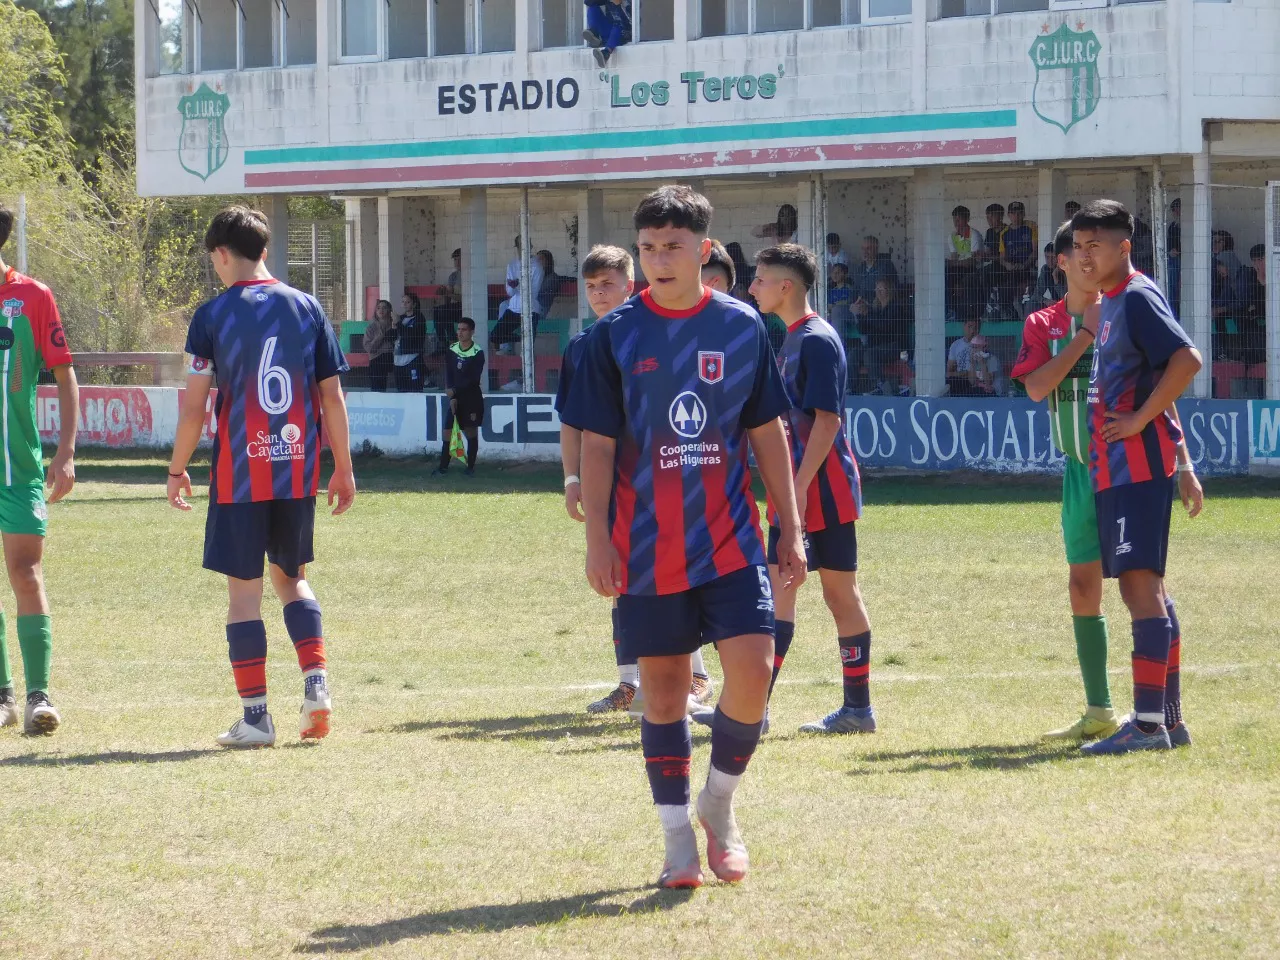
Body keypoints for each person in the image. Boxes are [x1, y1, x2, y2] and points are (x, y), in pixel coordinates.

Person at [562, 185, 805, 889]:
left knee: (754, 676)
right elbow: (600, 447)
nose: (658, 260)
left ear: (704, 251)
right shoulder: (613, 336)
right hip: (645, 546)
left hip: (729, 539)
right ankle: (676, 842)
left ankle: (718, 805)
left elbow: (767, 432)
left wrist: (789, 523)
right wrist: (598, 542)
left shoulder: (743, 326)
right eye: (647, 248)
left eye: (672, 247)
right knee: (663, 695)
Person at [166, 206, 355, 748]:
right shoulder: (308, 307)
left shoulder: (211, 316)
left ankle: (255, 718)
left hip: (240, 474)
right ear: (265, 250)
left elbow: (194, 409)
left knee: (243, 596)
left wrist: (177, 469)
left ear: (222, 254)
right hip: (296, 472)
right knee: (292, 578)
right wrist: (341, 466)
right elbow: (332, 397)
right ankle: (316, 685)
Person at [1071, 199, 1203, 755]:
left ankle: (1147, 726)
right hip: (1119, 469)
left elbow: (1186, 361)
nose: (1083, 257)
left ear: (1124, 247)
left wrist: (1140, 421)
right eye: (1078, 247)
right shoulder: (1112, 303)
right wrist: (1186, 462)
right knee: (1149, 589)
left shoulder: (1139, 296)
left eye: (1094, 245)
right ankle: (1167, 719)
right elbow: (1151, 374)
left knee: (1138, 588)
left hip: (1137, 466)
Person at [563, 245, 718, 715]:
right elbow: (574, 422)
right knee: (618, 580)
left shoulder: (655, 335)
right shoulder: (582, 346)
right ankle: (629, 681)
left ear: (631, 284)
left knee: (676, 575)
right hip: (610, 485)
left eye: (607, 284)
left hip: (663, 481)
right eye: (591, 287)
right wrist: (572, 478)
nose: (598, 294)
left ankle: (694, 673)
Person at [742, 243, 877, 736]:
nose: (752, 287)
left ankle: (854, 710)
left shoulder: (817, 339)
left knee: (830, 593)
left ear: (786, 287)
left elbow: (826, 423)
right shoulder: (793, 338)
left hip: (821, 490)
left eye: (759, 279)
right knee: (783, 589)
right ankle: (757, 711)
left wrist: (793, 491)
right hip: (804, 488)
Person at [0, 205, 79, 736]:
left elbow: (65, 375)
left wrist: (66, 451)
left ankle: (37, 696)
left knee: (26, 572)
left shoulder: (32, 296)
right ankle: (3, 697)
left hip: (18, 465)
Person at [435, 317, 485, 477]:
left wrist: (454, 391)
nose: (460, 332)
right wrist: (451, 393)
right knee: (447, 432)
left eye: (464, 329)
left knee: (470, 432)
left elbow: (473, 379)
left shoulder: (478, 353)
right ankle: (443, 468)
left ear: (472, 332)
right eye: (458, 329)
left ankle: (470, 467)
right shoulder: (452, 349)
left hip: (470, 398)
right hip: (454, 397)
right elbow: (449, 372)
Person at [857, 277, 912, 395]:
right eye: (877, 288)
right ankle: (851, 389)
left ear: (889, 290)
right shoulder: (875, 309)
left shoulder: (896, 307)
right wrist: (860, 314)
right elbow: (863, 330)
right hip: (877, 346)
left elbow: (884, 326)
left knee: (869, 354)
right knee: (854, 354)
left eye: (881, 288)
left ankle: (881, 386)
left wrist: (868, 313)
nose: (878, 291)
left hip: (896, 347)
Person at [491, 235, 545, 354]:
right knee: (495, 336)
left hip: (531, 309)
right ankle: (522, 339)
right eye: (520, 246)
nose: (522, 248)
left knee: (527, 351)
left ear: (530, 246)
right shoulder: (512, 265)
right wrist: (513, 286)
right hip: (514, 308)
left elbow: (534, 293)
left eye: (525, 245)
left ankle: (526, 347)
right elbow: (510, 292)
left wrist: (518, 285)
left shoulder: (537, 266)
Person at [946, 205, 985, 319]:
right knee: (945, 274)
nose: (956, 223)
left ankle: (954, 311)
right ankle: (950, 310)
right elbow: (954, 257)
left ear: (967, 219)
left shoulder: (974, 234)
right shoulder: (952, 236)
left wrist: (954, 263)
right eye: (954, 220)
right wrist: (954, 263)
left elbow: (973, 261)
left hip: (973, 269)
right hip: (959, 268)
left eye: (959, 219)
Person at [394, 291, 428, 392]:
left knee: (415, 389)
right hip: (398, 359)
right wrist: (392, 328)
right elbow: (391, 337)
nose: (404, 304)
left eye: (408, 302)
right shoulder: (400, 318)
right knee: (401, 390)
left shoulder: (419, 318)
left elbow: (411, 335)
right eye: (403, 301)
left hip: (412, 358)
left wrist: (398, 324)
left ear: (414, 304)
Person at [849, 235, 897, 306]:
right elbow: (855, 289)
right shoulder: (860, 268)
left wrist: (864, 300)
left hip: (878, 306)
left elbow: (883, 289)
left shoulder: (885, 265)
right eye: (863, 248)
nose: (865, 252)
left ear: (876, 249)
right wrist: (851, 304)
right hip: (860, 305)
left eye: (868, 248)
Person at [432, 248, 463, 356]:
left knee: (444, 313)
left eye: (460, 259)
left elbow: (466, 298)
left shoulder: (472, 274)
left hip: (467, 308)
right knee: (438, 311)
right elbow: (448, 295)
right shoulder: (453, 276)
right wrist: (444, 292)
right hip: (455, 307)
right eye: (455, 260)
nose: (457, 262)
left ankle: (452, 341)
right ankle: (442, 342)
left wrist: (449, 294)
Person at [583, 0, 631, 68]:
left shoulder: (629, 3)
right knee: (592, 8)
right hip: (609, 31)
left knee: (617, 26)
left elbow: (632, 23)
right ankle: (595, 35)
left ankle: (606, 53)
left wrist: (620, 5)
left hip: (623, 33)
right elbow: (587, 2)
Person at [363, 299, 396, 391]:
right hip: (376, 360)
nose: (381, 310)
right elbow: (369, 348)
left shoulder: (395, 325)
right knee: (377, 389)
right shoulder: (371, 328)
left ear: (389, 311)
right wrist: (379, 337)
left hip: (393, 360)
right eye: (378, 308)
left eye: (384, 308)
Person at [1032, 242, 1066, 308]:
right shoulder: (1045, 269)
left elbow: (1066, 298)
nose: (1049, 261)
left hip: (1069, 307)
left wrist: (1056, 280)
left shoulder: (1067, 270)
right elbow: (1036, 294)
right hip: (1054, 305)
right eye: (1047, 257)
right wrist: (1045, 301)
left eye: (1053, 257)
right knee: (1032, 303)